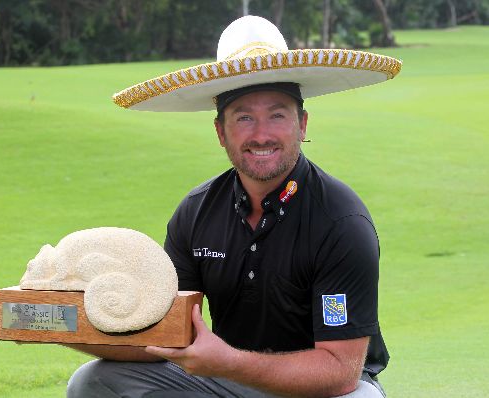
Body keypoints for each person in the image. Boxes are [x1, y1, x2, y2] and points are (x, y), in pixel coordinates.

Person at [67, 15, 401, 398]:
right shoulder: (195, 213)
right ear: (221, 132)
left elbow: (341, 371)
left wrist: (227, 362)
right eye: (244, 118)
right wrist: (61, 325)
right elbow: (164, 329)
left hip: (323, 388)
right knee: (94, 382)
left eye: (277, 115)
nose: (262, 135)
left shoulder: (340, 221)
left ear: (303, 125)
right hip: (229, 383)